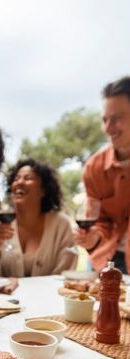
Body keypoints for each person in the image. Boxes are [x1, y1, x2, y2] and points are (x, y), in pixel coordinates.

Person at [0, 158, 77, 277]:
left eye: (28, 178)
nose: (19, 182)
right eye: (16, 178)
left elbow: (66, 274)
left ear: (44, 190)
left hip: (48, 295)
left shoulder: (61, 224)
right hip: (4, 296)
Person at [74, 76, 130, 274]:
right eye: (105, 120)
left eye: (116, 119)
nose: (108, 128)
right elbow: (99, 222)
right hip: (107, 261)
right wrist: (94, 237)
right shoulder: (94, 168)